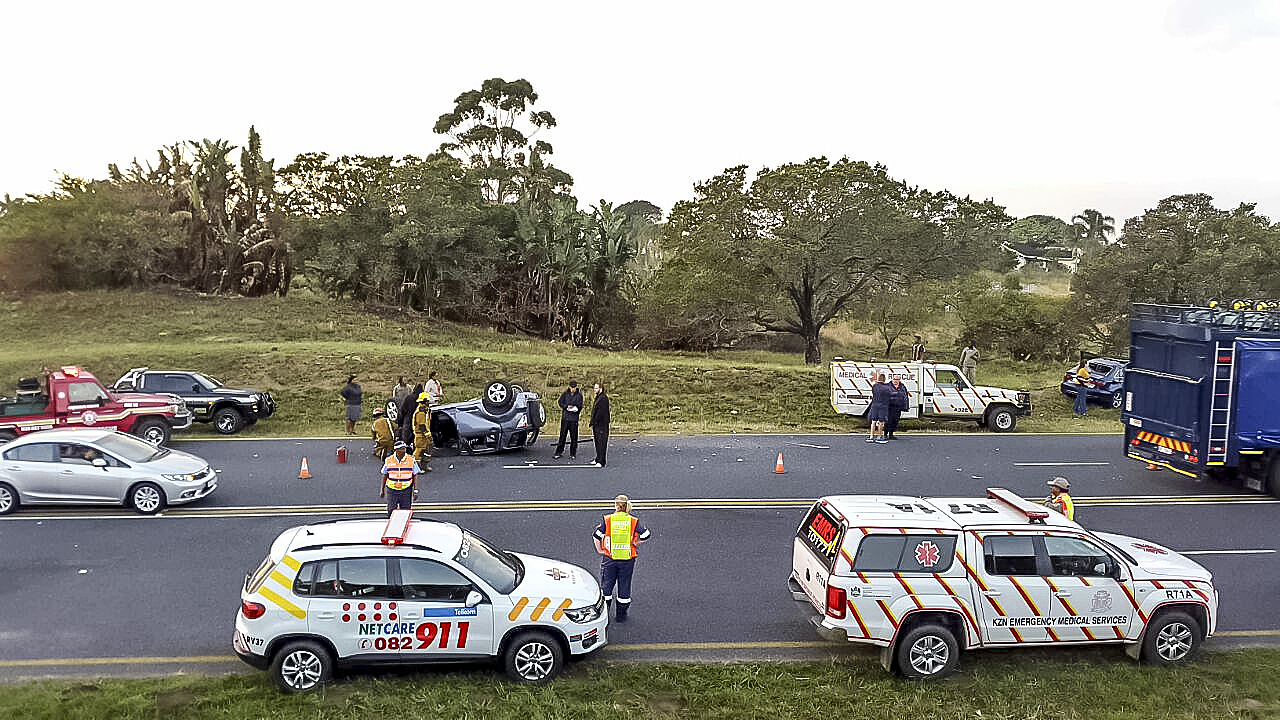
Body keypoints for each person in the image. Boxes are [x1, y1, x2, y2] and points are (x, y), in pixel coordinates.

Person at [593, 494, 650, 622]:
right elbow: (646, 534)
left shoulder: (608, 519)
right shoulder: (633, 521)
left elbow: (597, 535)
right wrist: (637, 543)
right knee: (624, 586)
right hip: (627, 560)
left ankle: (605, 614)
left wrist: (600, 550)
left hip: (610, 559)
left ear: (616, 505)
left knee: (607, 586)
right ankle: (621, 616)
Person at [379, 441, 420, 516]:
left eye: (404, 448)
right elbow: (385, 474)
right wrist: (382, 489)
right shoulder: (388, 460)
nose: (404, 450)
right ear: (396, 450)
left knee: (405, 511)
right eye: (401, 449)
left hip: (406, 490)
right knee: (391, 510)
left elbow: (415, 475)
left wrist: (416, 490)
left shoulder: (411, 460)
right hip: (392, 490)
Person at [554, 380, 583, 460]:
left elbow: (580, 405)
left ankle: (573, 453)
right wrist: (566, 406)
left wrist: (575, 408)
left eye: (574, 387)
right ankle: (559, 452)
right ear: (569, 387)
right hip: (565, 418)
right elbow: (560, 402)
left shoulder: (579, 395)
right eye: (572, 387)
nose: (573, 389)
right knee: (562, 436)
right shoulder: (565, 394)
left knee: (574, 437)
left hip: (574, 419)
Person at [588, 382, 610, 467]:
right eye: (594, 388)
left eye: (596, 388)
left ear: (601, 388)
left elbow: (601, 412)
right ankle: (598, 458)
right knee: (597, 441)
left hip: (602, 424)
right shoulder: (598, 397)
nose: (595, 390)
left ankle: (602, 461)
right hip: (597, 424)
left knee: (602, 442)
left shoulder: (603, 398)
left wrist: (595, 421)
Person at [867, 372, 891, 444]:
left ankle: (871, 437)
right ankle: (879, 437)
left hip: (875, 405)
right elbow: (889, 396)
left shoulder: (874, 386)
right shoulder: (887, 388)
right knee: (881, 422)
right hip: (883, 406)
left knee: (873, 421)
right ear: (884, 379)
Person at [411, 392, 433, 471]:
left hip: (423, 435)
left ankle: (424, 465)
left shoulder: (425, 410)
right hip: (420, 435)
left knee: (426, 450)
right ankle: (416, 467)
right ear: (425, 401)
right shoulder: (421, 411)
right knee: (419, 450)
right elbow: (422, 425)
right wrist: (427, 435)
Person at [885, 375, 909, 439]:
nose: (895, 380)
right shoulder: (888, 386)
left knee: (895, 421)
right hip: (889, 407)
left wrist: (905, 406)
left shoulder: (902, 387)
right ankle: (885, 434)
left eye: (897, 379)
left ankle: (891, 434)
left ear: (899, 380)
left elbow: (905, 396)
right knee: (888, 421)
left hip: (898, 407)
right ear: (892, 379)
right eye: (894, 379)